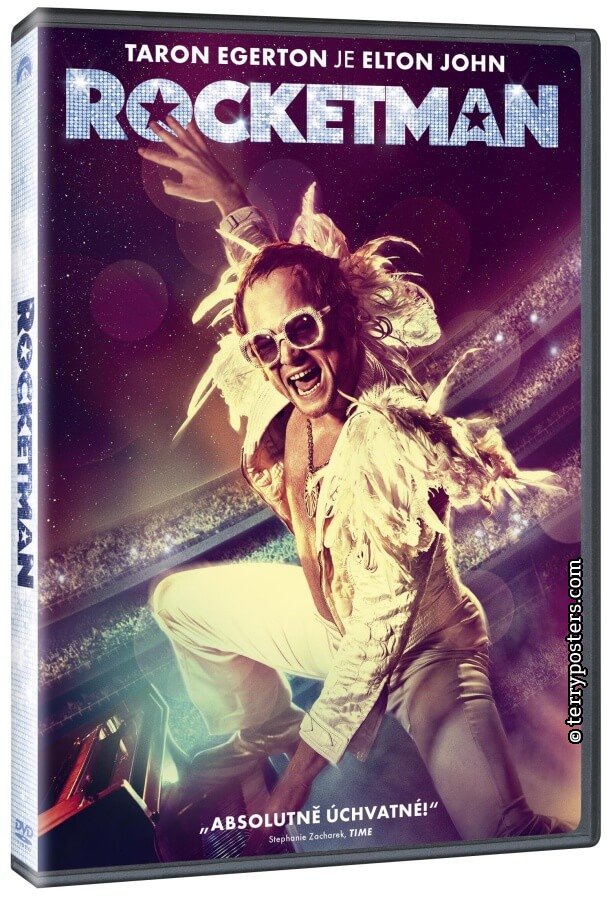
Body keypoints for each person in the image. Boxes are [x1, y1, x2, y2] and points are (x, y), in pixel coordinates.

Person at [139, 116, 570, 849]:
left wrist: (294, 788)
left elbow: (378, 636)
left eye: (302, 333)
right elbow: (276, 290)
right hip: (332, 621)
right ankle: (263, 733)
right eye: (265, 345)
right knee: (177, 604)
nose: (286, 359)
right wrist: (228, 196)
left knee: (502, 830)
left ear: (345, 319)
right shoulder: (287, 373)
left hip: (421, 654)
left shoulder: (385, 432)